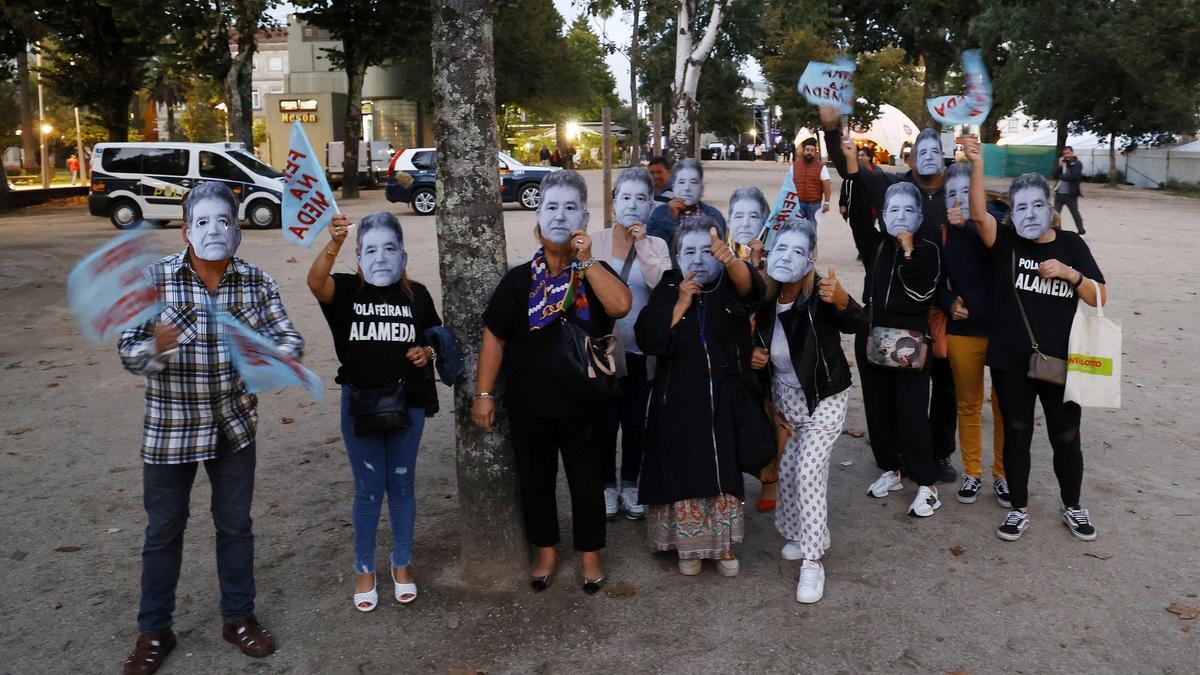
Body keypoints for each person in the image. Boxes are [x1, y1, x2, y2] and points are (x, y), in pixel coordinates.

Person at [117, 182, 302, 675]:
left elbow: (286, 335)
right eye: (203, 221)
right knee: (163, 531)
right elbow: (127, 352)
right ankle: (154, 630)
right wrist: (154, 348)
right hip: (170, 429)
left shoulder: (258, 283)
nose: (215, 230)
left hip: (233, 428)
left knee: (235, 526)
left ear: (238, 229)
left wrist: (281, 354)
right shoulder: (154, 281)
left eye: (225, 220)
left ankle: (238, 618)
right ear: (185, 230)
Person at [472, 170, 632, 593]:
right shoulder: (518, 281)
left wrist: (586, 261)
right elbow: (495, 338)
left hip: (585, 405)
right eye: (551, 208)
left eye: (570, 208)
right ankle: (546, 551)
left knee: (586, 480)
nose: (559, 216)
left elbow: (621, 305)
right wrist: (484, 394)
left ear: (583, 217)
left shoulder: (595, 273)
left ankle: (590, 555)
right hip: (529, 403)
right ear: (537, 219)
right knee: (536, 480)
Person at [962, 137, 1107, 542]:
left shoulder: (1071, 246)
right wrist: (975, 163)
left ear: (1050, 207)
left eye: (1036, 205)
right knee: (1018, 432)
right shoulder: (1007, 244)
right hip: (1011, 360)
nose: (1029, 213)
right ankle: (1019, 507)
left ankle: (1073, 504)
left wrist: (1071, 274)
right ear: (1012, 210)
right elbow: (977, 214)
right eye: (1020, 206)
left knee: (1066, 436)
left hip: (1062, 361)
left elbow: (1100, 297)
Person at [307, 211, 444, 612]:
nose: (380, 257)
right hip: (362, 404)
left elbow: (435, 335)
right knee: (369, 490)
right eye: (370, 249)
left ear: (402, 253)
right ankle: (364, 568)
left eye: (389, 248)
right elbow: (315, 282)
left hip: (409, 403)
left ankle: (401, 564)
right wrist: (332, 243)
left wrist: (428, 352)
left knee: (402, 486)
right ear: (358, 255)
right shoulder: (346, 290)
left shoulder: (417, 294)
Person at [821, 109, 958, 484]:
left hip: (937, 310)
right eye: (920, 151)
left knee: (939, 390)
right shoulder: (892, 190)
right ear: (910, 158)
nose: (901, 213)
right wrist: (836, 137)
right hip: (885, 318)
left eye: (935, 151)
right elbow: (856, 178)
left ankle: (936, 455)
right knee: (886, 397)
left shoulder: (955, 192)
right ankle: (892, 460)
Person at [635, 215, 768, 576]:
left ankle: (723, 547)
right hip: (677, 401)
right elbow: (649, 338)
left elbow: (754, 292)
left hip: (724, 400)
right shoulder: (668, 286)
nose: (697, 260)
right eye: (688, 251)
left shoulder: (728, 283)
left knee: (723, 473)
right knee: (683, 471)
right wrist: (679, 305)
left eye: (706, 251)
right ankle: (688, 549)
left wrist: (730, 261)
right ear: (676, 257)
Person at [749, 216, 865, 603]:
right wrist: (755, 357)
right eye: (781, 248)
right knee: (788, 470)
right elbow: (747, 340)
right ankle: (805, 534)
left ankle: (813, 562)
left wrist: (844, 299)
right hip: (785, 399)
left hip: (825, 397)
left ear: (811, 258)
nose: (787, 257)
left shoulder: (820, 295)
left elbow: (859, 323)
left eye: (798, 251)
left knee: (807, 474)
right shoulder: (764, 298)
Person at [839, 136, 945, 517]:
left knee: (912, 414)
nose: (898, 217)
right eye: (891, 209)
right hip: (872, 336)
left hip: (910, 341)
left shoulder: (928, 250)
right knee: (879, 412)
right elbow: (853, 215)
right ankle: (892, 469)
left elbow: (921, 293)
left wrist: (909, 249)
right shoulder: (875, 244)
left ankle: (927, 484)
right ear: (882, 213)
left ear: (918, 215)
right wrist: (851, 164)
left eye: (907, 210)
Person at [589, 168, 673, 521]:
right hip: (603, 350)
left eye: (641, 198)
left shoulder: (657, 245)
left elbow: (664, 286)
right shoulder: (595, 241)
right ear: (613, 203)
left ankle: (630, 484)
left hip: (641, 351)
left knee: (637, 421)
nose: (633, 204)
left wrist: (641, 244)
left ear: (651, 205)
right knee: (605, 422)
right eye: (626, 197)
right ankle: (606, 484)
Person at [941, 163, 1009, 506]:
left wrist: (968, 225)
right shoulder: (941, 231)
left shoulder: (996, 219)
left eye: (966, 192)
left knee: (1004, 406)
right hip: (962, 331)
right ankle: (972, 472)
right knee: (968, 404)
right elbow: (935, 279)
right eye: (951, 194)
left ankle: (1003, 473)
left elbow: (996, 254)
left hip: (1001, 330)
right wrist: (949, 301)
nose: (958, 200)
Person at [644, 158, 727, 246]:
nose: (687, 188)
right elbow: (652, 249)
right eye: (682, 182)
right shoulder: (659, 214)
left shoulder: (714, 215)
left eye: (693, 182)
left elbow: (720, 250)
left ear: (701, 188)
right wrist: (670, 219)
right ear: (674, 187)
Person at [790, 138, 832, 225]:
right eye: (807, 150)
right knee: (796, 230)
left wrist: (826, 203)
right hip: (798, 203)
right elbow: (789, 184)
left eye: (812, 150)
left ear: (815, 152)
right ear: (803, 150)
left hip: (814, 204)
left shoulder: (821, 167)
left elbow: (827, 186)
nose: (810, 152)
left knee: (812, 230)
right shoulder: (794, 166)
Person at [726, 186, 770, 257]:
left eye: (753, 217)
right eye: (739, 216)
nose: (745, 224)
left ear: (764, 222)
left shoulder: (775, 258)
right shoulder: (717, 259)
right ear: (729, 222)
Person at [1052, 146, 1086, 234]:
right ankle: (1058, 232)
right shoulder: (1062, 163)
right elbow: (1054, 174)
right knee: (1056, 214)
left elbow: (1073, 177)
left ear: (1072, 153)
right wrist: (1059, 165)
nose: (1066, 156)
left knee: (1075, 213)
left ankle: (1081, 230)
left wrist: (1060, 176)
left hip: (1071, 194)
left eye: (1068, 153)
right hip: (1059, 193)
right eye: (1064, 154)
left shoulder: (1077, 164)